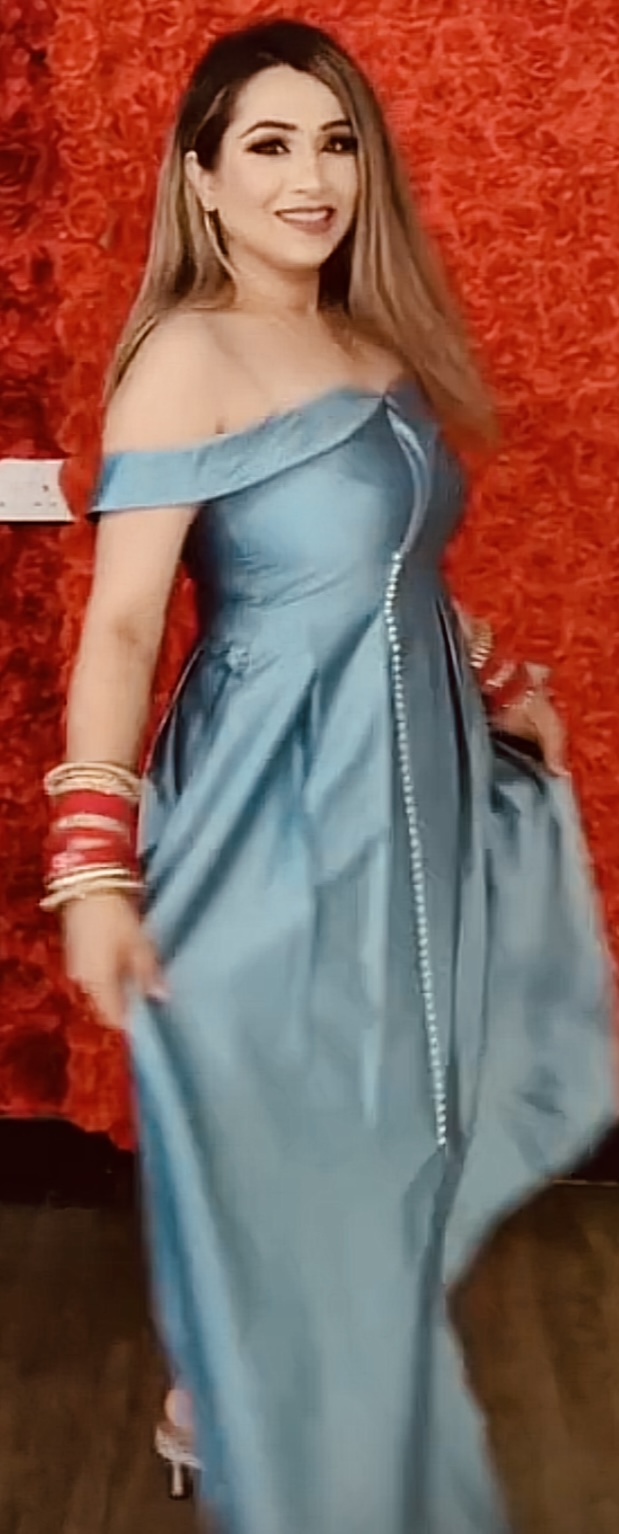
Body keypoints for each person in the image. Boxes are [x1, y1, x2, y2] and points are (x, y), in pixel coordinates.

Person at [43, 17, 615, 1534]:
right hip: (271, 792)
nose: (312, 176)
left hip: (413, 778)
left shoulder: (373, 344)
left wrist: (496, 684)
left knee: (406, 1099)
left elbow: (389, 568)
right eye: (270, 145)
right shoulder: (188, 355)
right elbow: (122, 622)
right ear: (204, 179)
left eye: (337, 141)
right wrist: (94, 862)